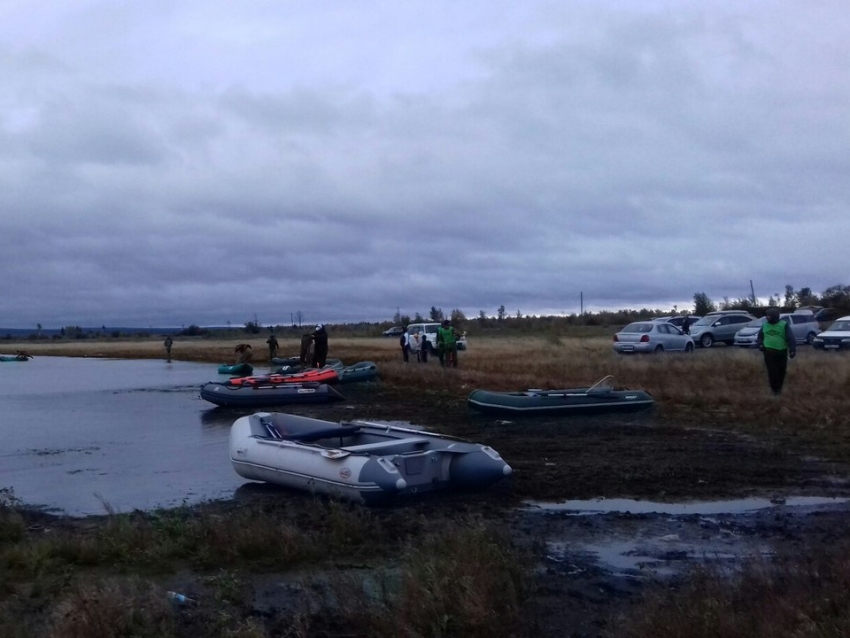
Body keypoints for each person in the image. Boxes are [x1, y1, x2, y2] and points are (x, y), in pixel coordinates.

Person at [756, 307, 796, 396]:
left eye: (768, 316)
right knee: (772, 372)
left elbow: (791, 338)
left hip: (781, 352)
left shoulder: (784, 325)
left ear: (774, 316)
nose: (767, 317)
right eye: (766, 316)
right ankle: (775, 391)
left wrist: (792, 349)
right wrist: (760, 344)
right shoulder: (765, 325)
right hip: (769, 353)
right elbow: (760, 337)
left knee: (781, 372)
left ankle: (779, 389)